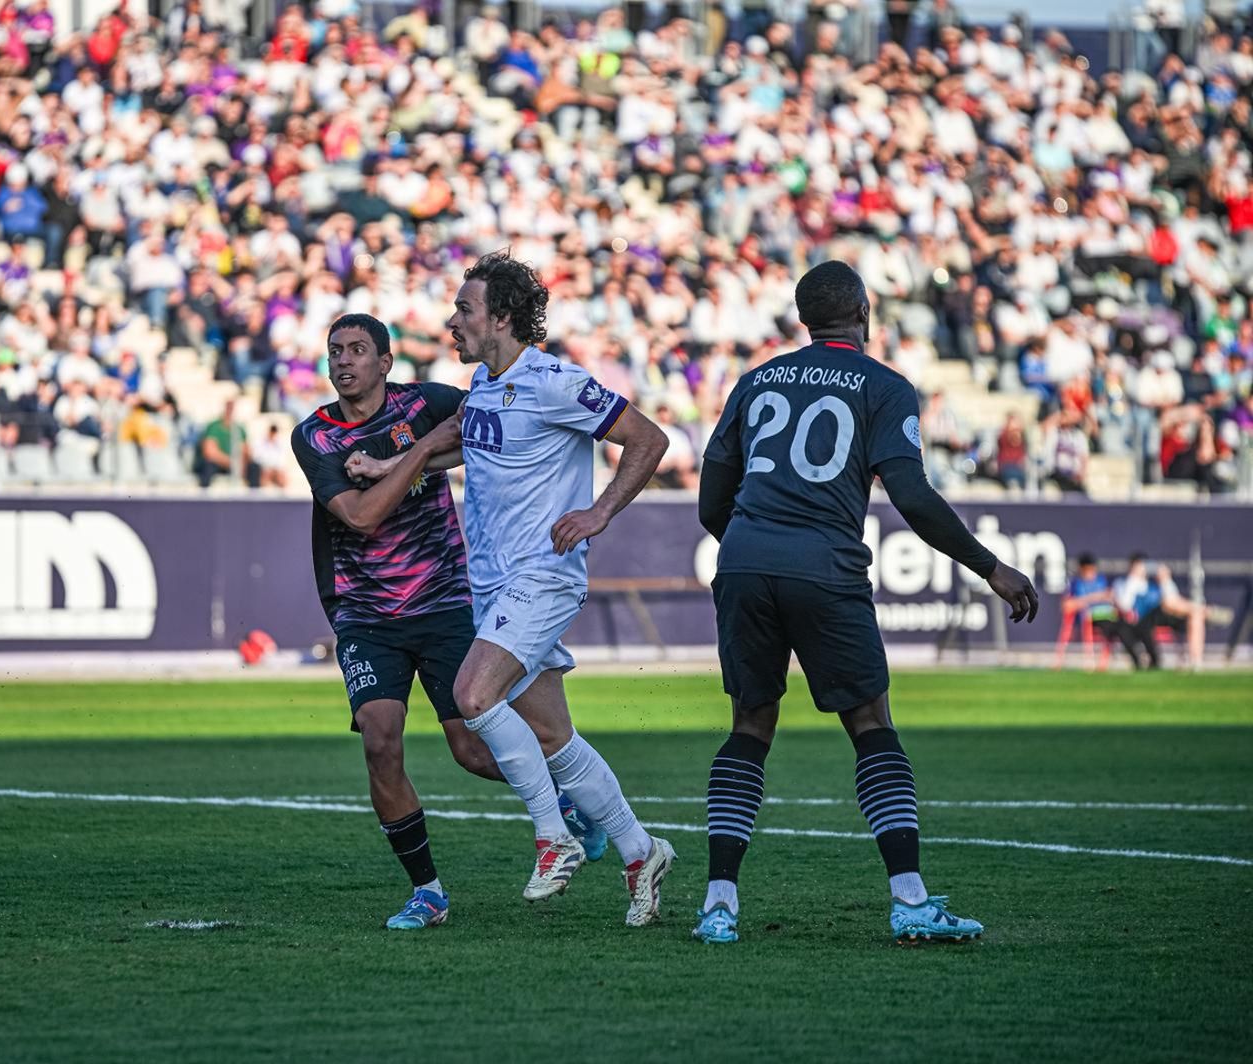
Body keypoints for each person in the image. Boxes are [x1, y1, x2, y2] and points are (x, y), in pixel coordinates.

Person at [695, 261, 1039, 946]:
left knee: (750, 727)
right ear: (863, 311)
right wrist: (990, 566)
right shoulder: (883, 385)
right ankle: (910, 900)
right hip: (825, 564)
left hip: (743, 559)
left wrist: (756, 546)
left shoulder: (756, 379)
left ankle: (718, 905)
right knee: (870, 724)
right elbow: (911, 497)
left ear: (803, 318)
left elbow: (712, 500)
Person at [290, 313, 604, 931]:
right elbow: (361, 517)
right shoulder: (315, 437)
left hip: (444, 601)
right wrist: (425, 451)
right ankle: (427, 892)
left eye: (358, 350)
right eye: (335, 352)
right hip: (365, 613)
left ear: (386, 362)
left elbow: (491, 429)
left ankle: (569, 805)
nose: (344, 360)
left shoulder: (427, 402)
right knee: (380, 741)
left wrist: (415, 451)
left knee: (470, 749)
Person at [440, 251, 676, 927]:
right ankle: (641, 852)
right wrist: (393, 462)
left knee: (472, 695)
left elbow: (648, 439)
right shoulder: (484, 387)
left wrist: (600, 512)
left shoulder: (555, 381)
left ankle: (554, 838)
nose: (453, 320)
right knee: (551, 737)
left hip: (541, 578)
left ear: (502, 318)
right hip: (492, 586)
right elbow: (458, 446)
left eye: (465, 308)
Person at [1067, 552, 1150, 670]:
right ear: (1082, 569)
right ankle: (1138, 658)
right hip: (1092, 618)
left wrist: (1112, 599)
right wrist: (1093, 598)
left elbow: (1111, 598)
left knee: (1126, 625)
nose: (1091, 573)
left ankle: (1139, 656)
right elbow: (1068, 606)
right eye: (1088, 570)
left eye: (1092, 569)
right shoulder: (1076, 584)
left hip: (1110, 614)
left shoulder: (1101, 581)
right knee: (1119, 628)